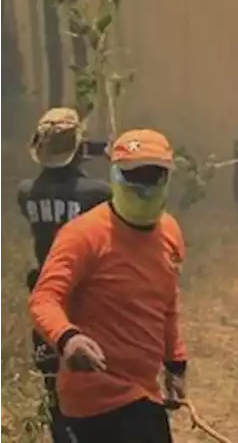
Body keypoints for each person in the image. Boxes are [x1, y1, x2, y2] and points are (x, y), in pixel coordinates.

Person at [28, 128, 188, 443]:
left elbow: (167, 305)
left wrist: (176, 364)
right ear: (115, 175)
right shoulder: (83, 234)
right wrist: (68, 339)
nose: (144, 185)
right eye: (134, 175)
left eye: (154, 175)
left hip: (143, 394)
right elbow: (44, 298)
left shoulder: (170, 232)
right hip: (90, 399)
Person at [18, 108, 113, 443]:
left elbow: (61, 169)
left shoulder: (26, 191)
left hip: (47, 299)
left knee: (53, 387)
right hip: (88, 300)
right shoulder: (98, 193)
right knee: (93, 382)